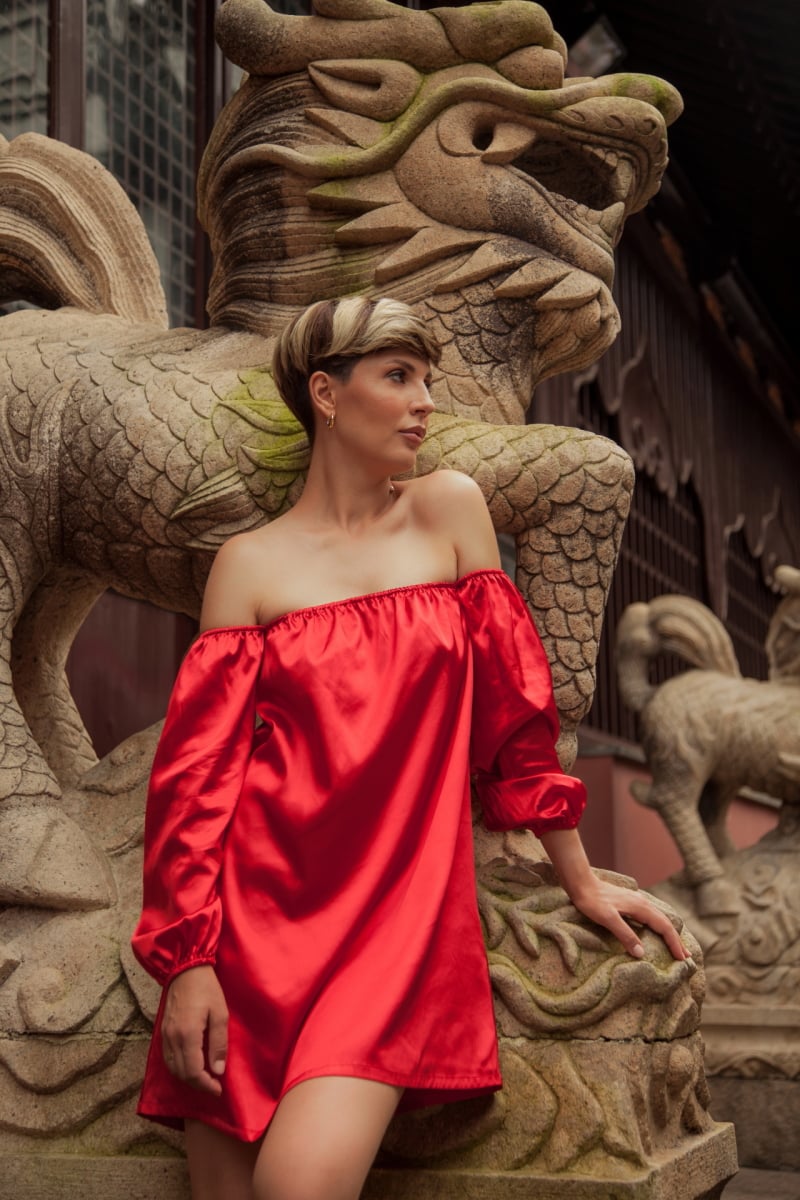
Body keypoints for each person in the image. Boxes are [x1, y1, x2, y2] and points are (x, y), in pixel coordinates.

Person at [132, 296, 689, 1200]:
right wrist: (190, 965)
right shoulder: (248, 565)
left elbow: (516, 717)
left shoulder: (448, 513)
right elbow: (197, 784)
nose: (426, 401)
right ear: (326, 393)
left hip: (394, 929)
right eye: (399, 377)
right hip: (248, 935)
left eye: (427, 378)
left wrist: (579, 876)